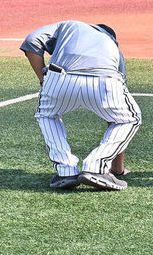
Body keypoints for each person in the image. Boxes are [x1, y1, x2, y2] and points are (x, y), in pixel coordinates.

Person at [20, 20, 142, 191]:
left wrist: (43, 80)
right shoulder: (114, 48)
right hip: (104, 79)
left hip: (60, 78)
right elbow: (115, 117)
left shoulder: (68, 26)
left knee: (46, 115)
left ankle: (65, 170)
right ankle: (96, 167)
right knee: (128, 120)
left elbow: (32, 41)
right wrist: (117, 169)